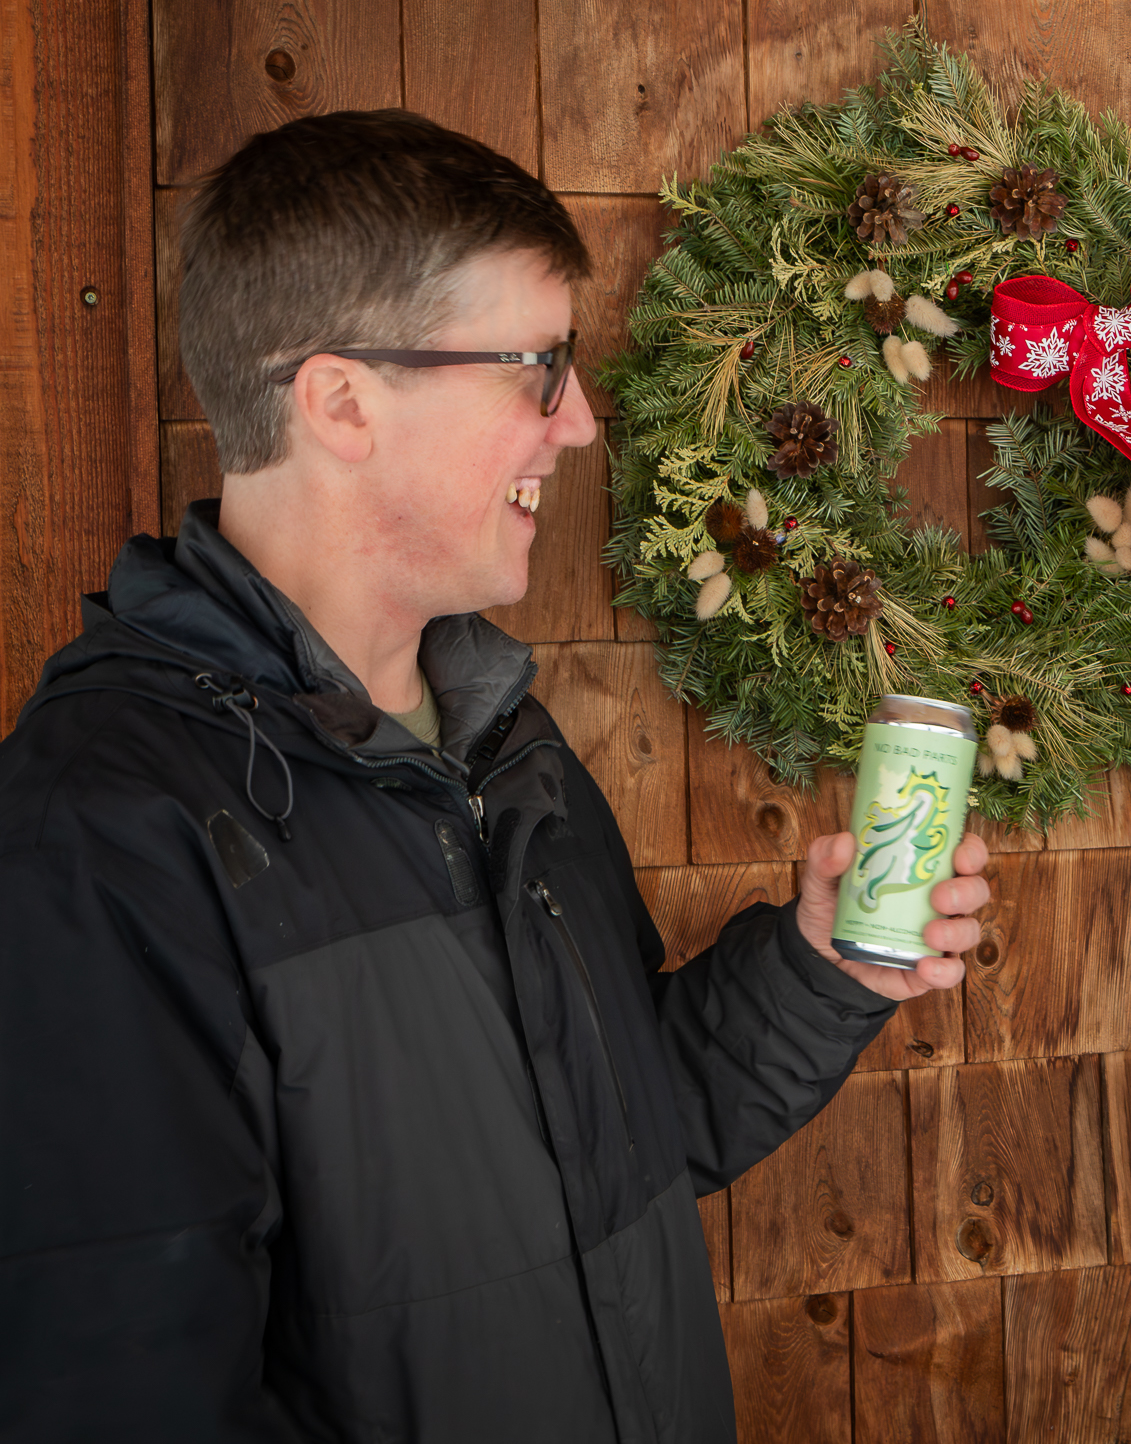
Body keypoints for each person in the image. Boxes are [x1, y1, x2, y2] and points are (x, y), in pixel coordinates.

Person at [0, 110, 989, 1443]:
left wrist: (821, 969)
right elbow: (119, 1393)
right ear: (342, 400)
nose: (576, 422)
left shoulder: (502, 739)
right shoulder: (101, 834)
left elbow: (624, 1134)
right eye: (539, 367)